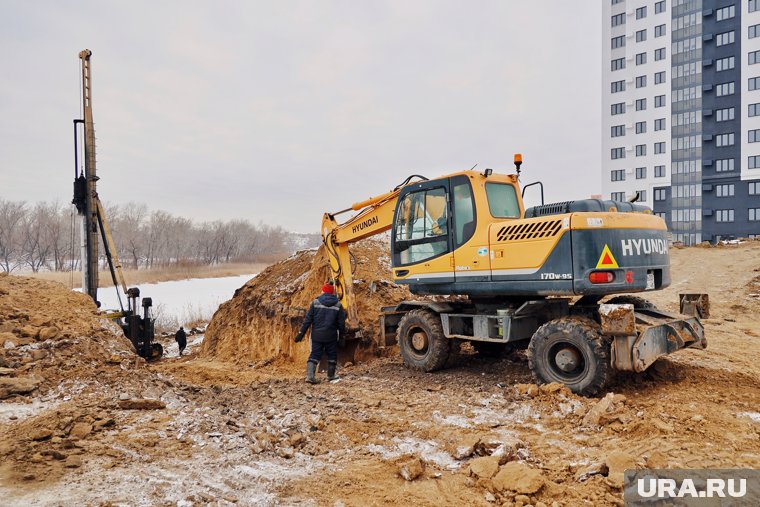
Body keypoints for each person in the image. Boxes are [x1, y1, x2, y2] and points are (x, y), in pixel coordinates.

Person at [294, 281, 346, 384]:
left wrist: (301, 333)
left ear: (323, 291)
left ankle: (310, 376)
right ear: (332, 293)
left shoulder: (315, 302)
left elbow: (308, 320)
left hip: (317, 335)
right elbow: (341, 324)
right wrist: (342, 337)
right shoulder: (338, 305)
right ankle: (331, 376)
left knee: (314, 354)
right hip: (331, 336)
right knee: (332, 355)